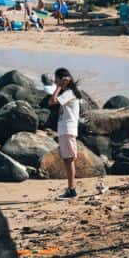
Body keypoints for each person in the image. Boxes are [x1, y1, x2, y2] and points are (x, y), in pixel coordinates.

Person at [50, 68, 80, 199]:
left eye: (57, 79)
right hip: (65, 129)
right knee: (68, 160)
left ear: (63, 79)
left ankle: (71, 189)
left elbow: (53, 101)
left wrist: (58, 87)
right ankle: (71, 188)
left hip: (67, 129)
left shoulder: (69, 92)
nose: (55, 81)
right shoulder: (69, 92)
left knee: (69, 160)